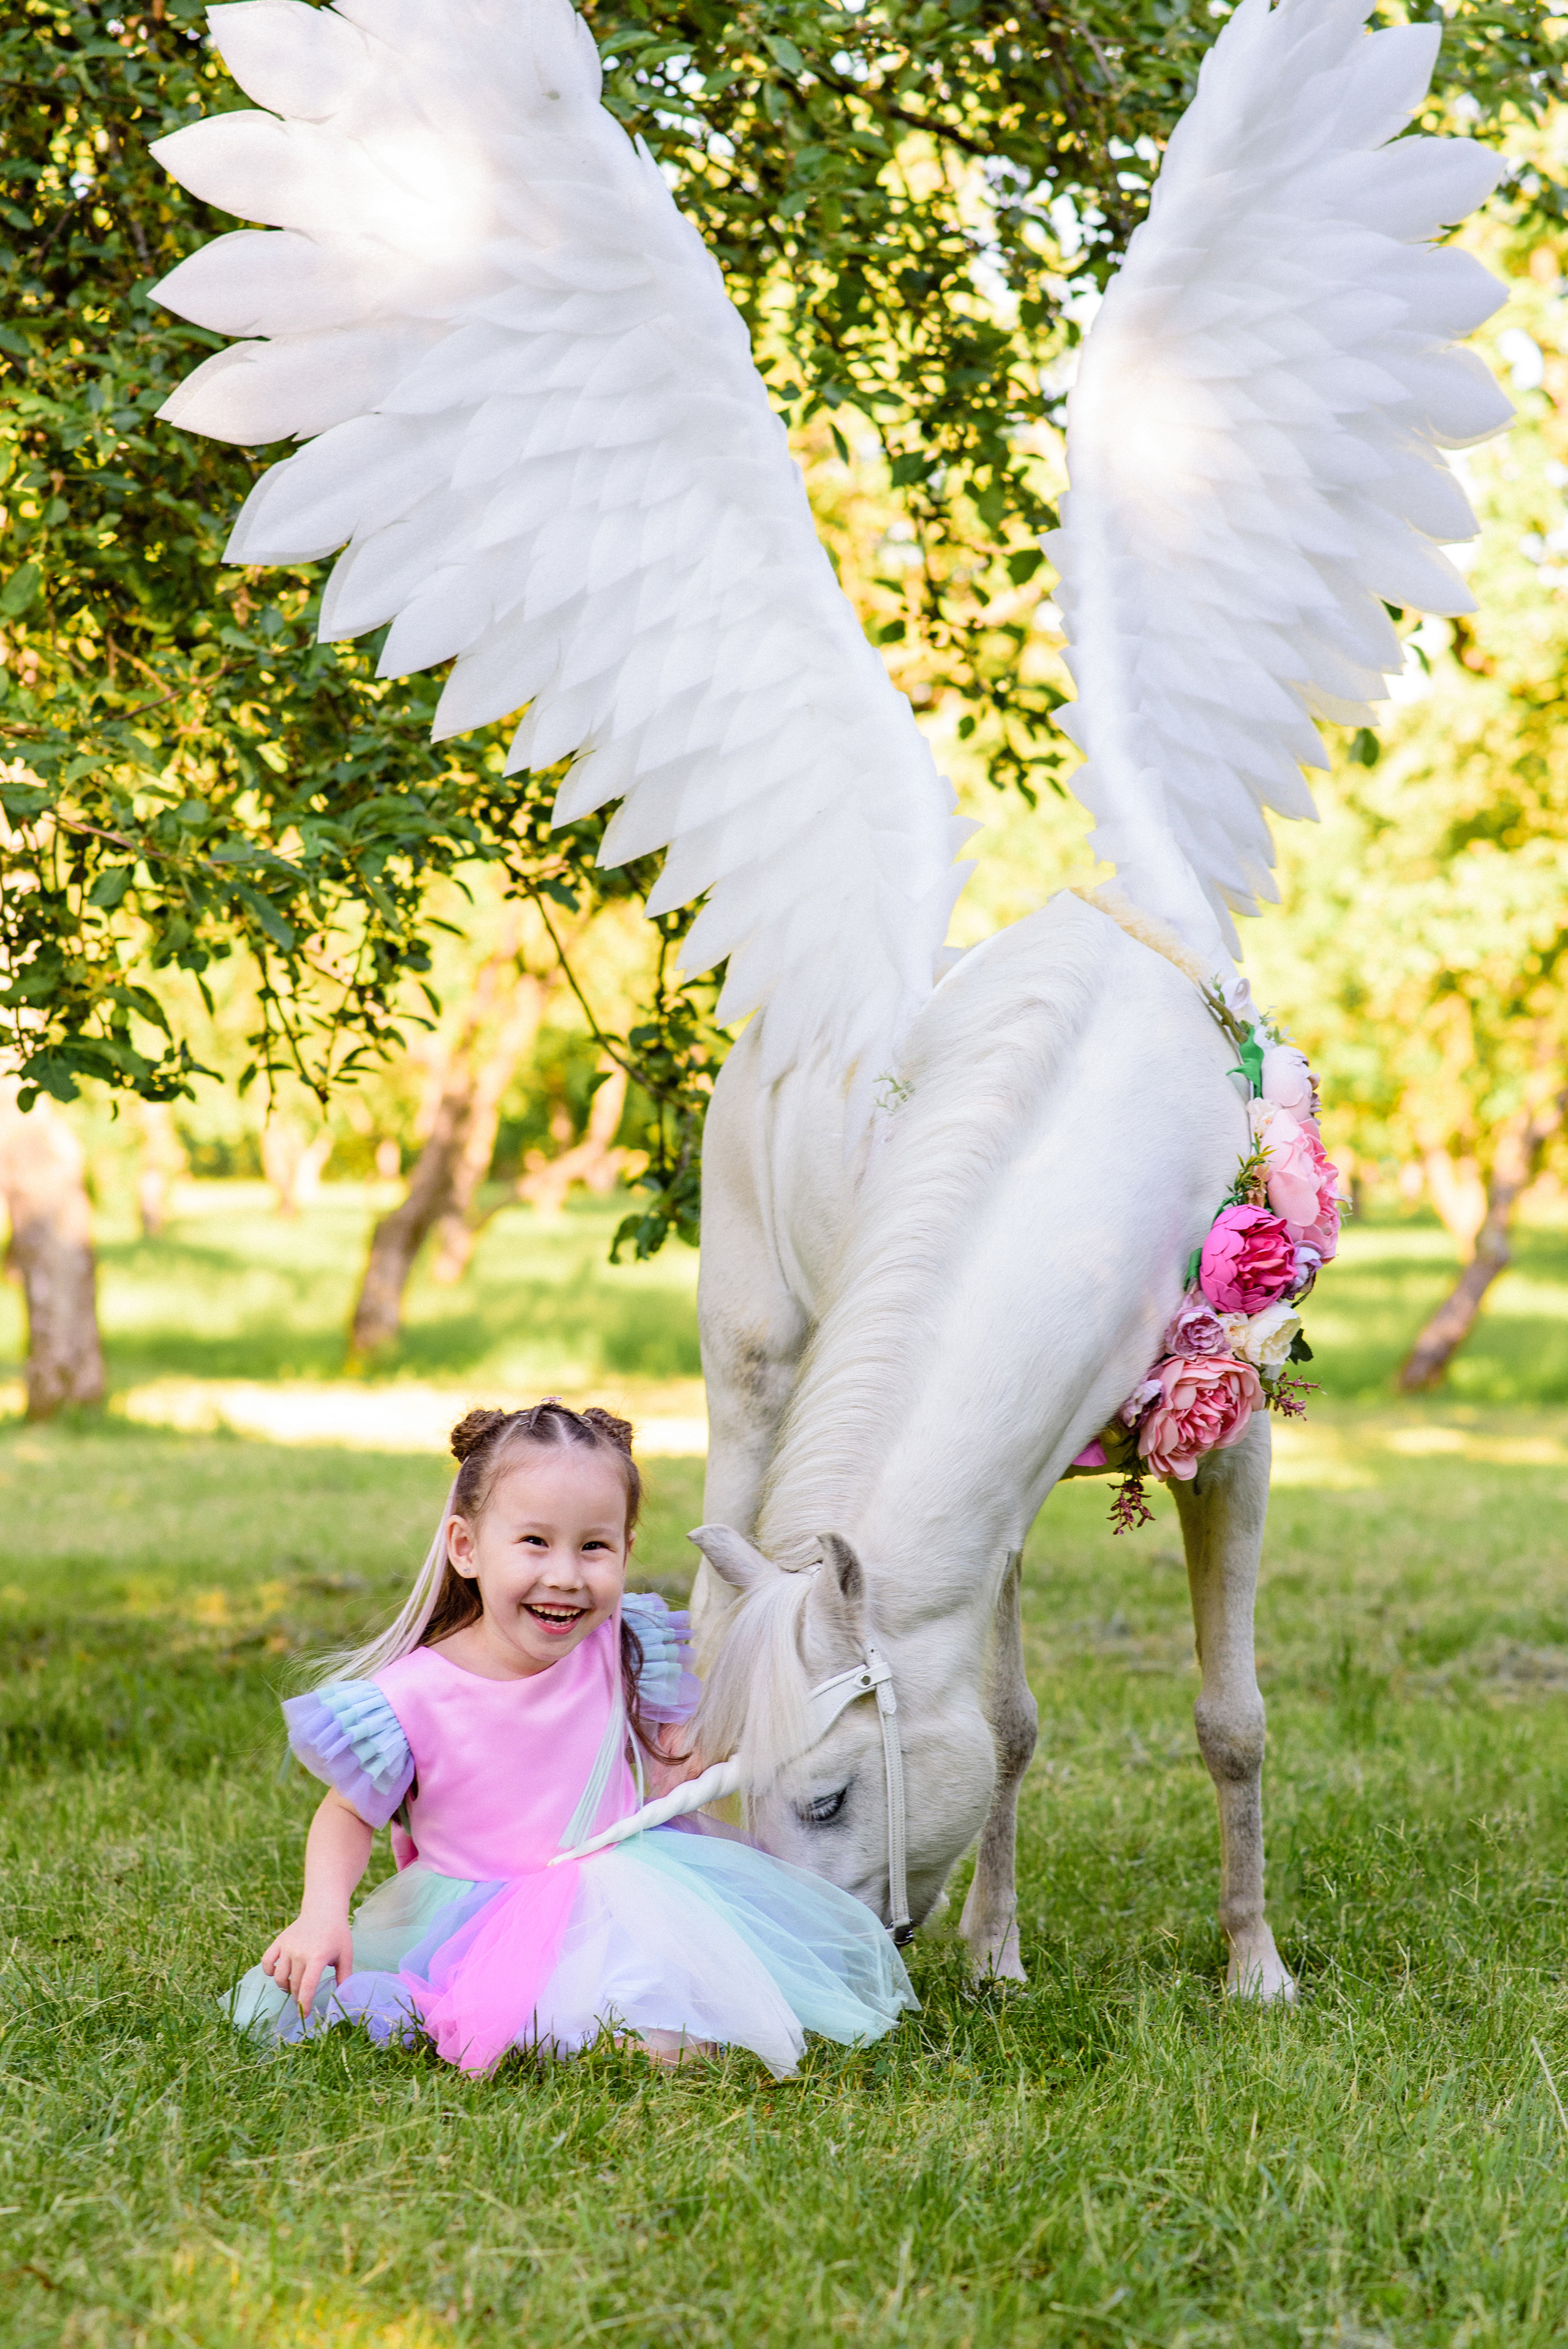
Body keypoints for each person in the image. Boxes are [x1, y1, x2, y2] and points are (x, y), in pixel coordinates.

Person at [225, 1401, 914, 2076]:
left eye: (593, 1547)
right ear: (466, 1547)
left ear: (627, 1550)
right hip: (479, 1923)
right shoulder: (412, 1695)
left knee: (679, 2021)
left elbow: (672, 1757)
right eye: (534, 1541)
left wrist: (717, 1749)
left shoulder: (625, 1644)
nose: (564, 1576)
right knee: (542, 2021)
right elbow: (347, 1815)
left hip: (622, 1895)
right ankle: (556, 2027)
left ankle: (628, 2026)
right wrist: (322, 1915)